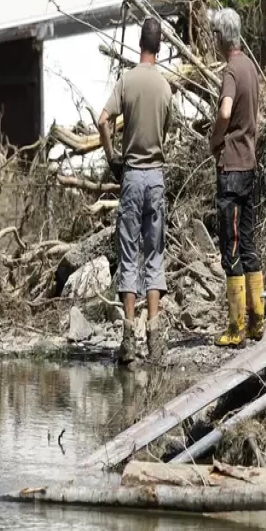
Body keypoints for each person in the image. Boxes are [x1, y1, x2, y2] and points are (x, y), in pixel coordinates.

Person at [98, 18, 172, 364]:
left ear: (140, 44)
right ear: (160, 47)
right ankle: (155, 339)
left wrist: (112, 155)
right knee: (154, 253)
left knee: (129, 254)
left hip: (131, 176)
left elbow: (102, 120)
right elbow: (166, 130)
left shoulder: (126, 81)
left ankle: (129, 340)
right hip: (155, 175)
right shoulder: (165, 87)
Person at [208, 8, 264, 347]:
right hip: (250, 165)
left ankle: (235, 327)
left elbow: (226, 111)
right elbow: (256, 113)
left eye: (214, 35)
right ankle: (257, 320)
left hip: (230, 168)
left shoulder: (231, 70)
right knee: (248, 243)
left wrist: (215, 139)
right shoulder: (251, 68)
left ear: (221, 37)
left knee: (229, 248)